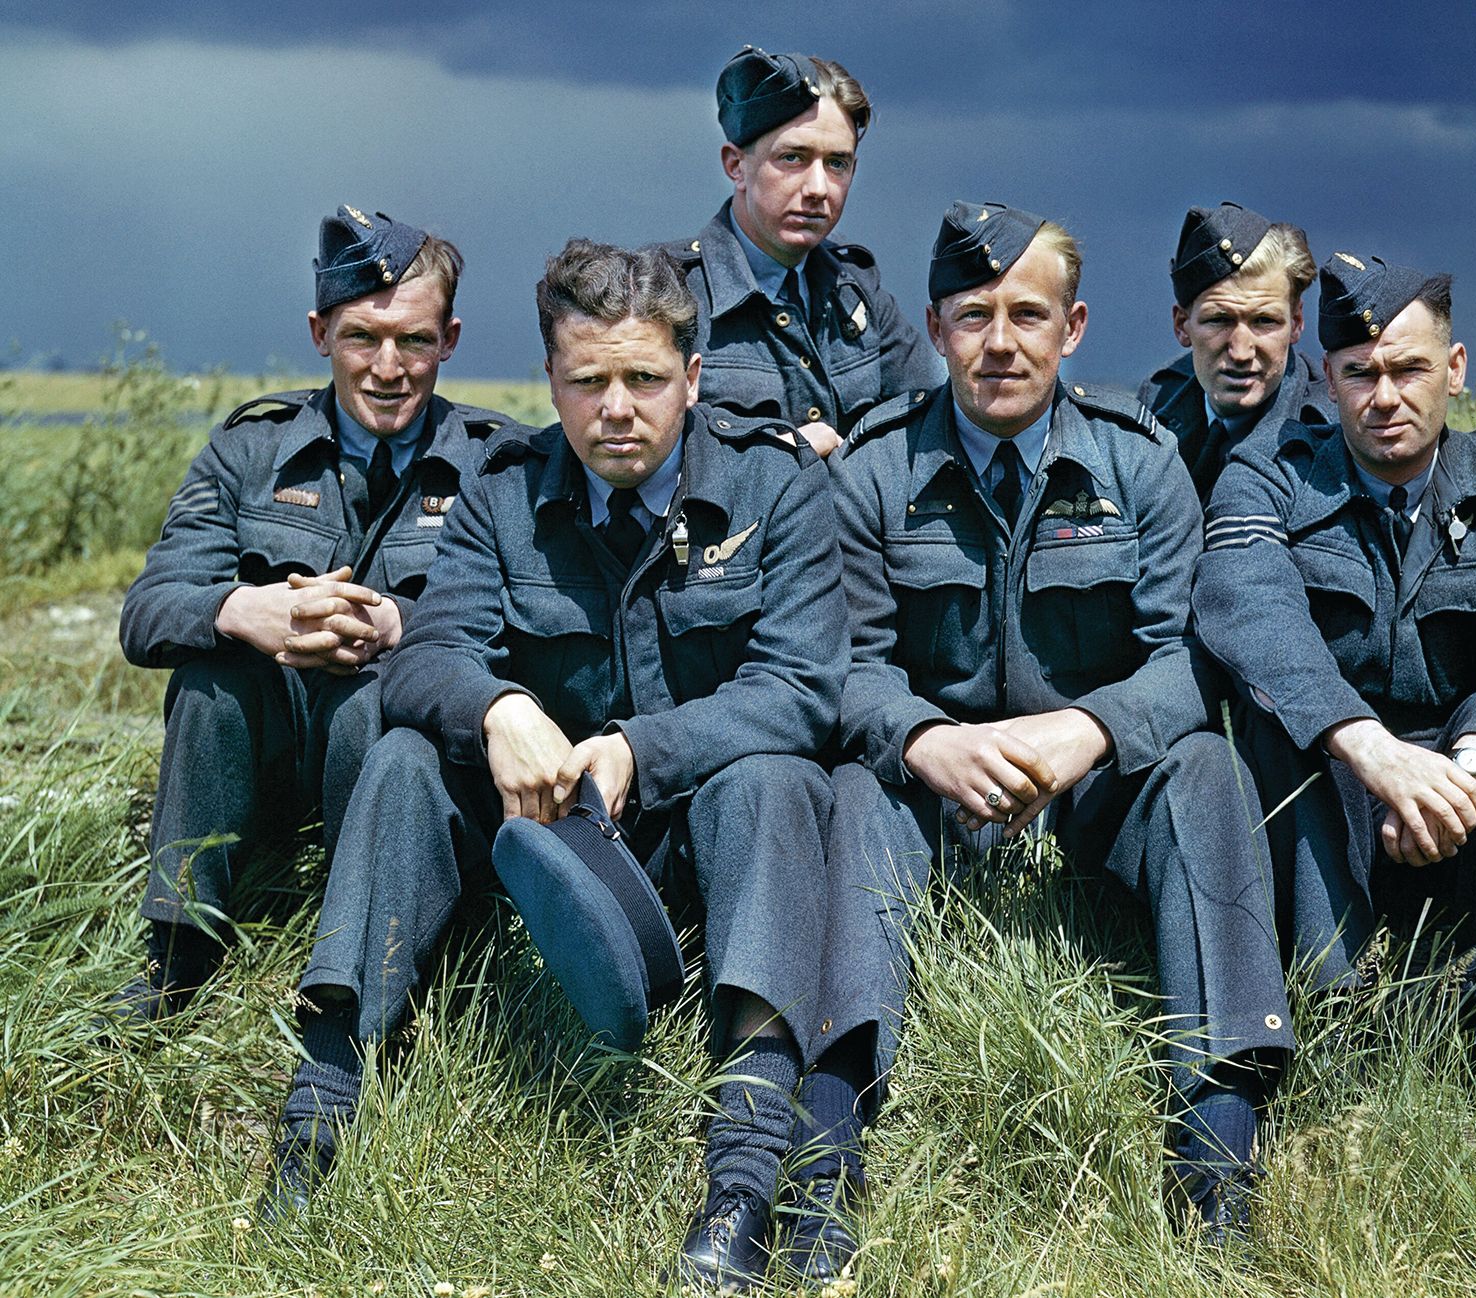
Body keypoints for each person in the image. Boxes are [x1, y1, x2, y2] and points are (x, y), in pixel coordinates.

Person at [256, 238, 849, 1293]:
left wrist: (640, 750)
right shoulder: (503, 489)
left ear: (693, 377)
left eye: (643, 379)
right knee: (404, 757)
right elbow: (426, 655)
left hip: (700, 838)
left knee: (777, 779)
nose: (615, 409)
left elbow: (801, 688)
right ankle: (320, 1113)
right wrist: (500, 706)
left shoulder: (778, 483)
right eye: (586, 382)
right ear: (551, 381)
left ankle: (744, 1175)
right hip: (541, 848)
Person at [821, 201, 1294, 1253]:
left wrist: (1088, 731)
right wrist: (923, 740)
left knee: (1205, 770)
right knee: (851, 789)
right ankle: (829, 1142)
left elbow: (1188, 659)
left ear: (1072, 328)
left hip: (1091, 792)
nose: (1000, 343)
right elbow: (840, 665)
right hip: (933, 792)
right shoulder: (872, 471)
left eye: (1027, 315)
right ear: (936, 327)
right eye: (973, 316)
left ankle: (1218, 1147)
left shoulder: (1140, 463)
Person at [1193, 252, 1476, 1097]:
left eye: (1409, 369)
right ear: (1328, 377)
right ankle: (1333, 1008)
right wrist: (1374, 755)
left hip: (1461, 797)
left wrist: (1461, 777)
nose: (1384, 397)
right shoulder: (1267, 479)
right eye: (1360, 373)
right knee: (1274, 717)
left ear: (1454, 370)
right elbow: (1251, 613)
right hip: (1332, 798)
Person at [111, 206, 513, 1025]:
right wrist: (246, 609)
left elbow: (526, 625)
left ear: (450, 340)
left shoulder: (496, 463)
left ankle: (373, 949)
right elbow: (146, 613)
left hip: (392, 769)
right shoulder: (248, 450)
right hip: (267, 763)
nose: (389, 368)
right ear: (320, 333)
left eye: (415, 340)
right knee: (210, 679)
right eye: (362, 337)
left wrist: (398, 625)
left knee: (377, 697)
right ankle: (178, 952)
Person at [668, 44, 940, 457]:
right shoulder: (665, 294)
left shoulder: (856, 288)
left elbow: (935, 419)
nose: (817, 188)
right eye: (793, 158)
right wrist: (775, 455)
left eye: (837, 163)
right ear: (736, 166)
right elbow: (633, 452)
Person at [1137, 201, 1332, 502]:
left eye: (1264, 321)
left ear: (1296, 323)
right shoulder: (1157, 402)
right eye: (1219, 320)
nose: (1241, 353)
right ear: (1181, 325)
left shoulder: (1329, 432)